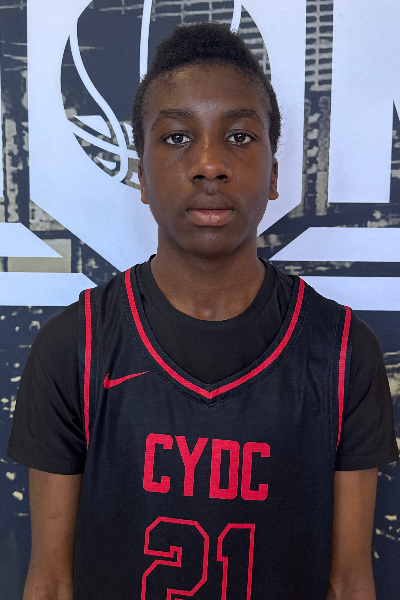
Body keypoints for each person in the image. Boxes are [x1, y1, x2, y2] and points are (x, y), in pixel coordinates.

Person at [8, 22, 398, 600]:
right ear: (142, 176)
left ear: (273, 175)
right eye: (176, 137)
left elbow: (348, 583)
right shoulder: (75, 347)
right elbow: (51, 582)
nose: (210, 163)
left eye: (239, 136)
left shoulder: (343, 353)